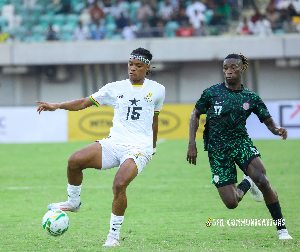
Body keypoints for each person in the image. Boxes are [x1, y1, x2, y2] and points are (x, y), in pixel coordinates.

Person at [36, 48, 165, 247]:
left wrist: (153, 147)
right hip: (114, 143)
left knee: (119, 184)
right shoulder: (114, 88)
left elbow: (155, 120)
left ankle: (113, 237)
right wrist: (57, 105)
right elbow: (83, 103)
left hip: (139, 148)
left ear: (147, 68)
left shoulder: (157, 89)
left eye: (138, 66)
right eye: (130, 64)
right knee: (74, 161)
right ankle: (73, 202)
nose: (132, 69)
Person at [186, 53, 293, 240]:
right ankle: (246, 183)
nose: (228, 71)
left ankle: (282, 230)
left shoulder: (251, 97)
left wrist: (277, 129)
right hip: (217, 150)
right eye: (225, 68)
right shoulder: (211, 93)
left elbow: (268, 121)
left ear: (242, 68)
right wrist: (191, 144)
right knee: (231, 202)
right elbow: (194, 115)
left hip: (240, 143)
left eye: (233, 67)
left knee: (263, 179)